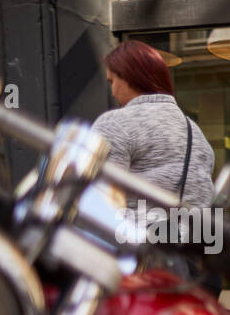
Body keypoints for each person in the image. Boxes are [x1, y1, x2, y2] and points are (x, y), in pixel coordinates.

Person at [92, 40, 215, 209]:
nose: (112, 92)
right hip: (197, 234)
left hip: (138, 233)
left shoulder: (115, 123)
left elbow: (102, 202)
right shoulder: (194, 131)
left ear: (128, 76)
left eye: (112, 81)